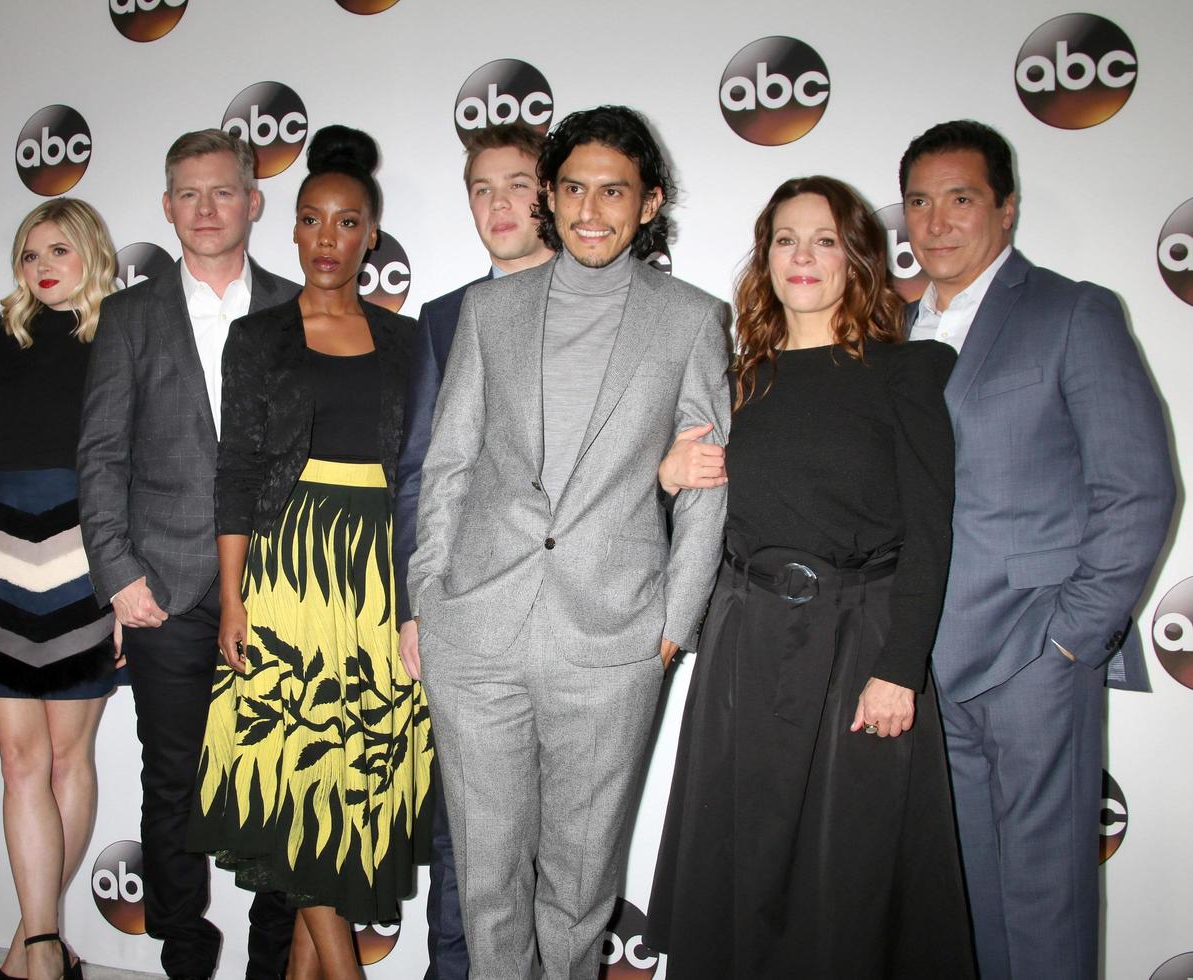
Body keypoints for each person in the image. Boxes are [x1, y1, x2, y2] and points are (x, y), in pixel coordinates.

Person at [407, 105, 730, 980]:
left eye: (614, 191)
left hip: (613, 639)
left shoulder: (692, 319)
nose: (592, 210)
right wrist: (428, 600)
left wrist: (672, 625)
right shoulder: (488, 310)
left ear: (649, 201)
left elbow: (706, 486)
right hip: (476, 632)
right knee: (487, 883)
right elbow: (450, 465)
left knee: (580, 889)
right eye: (575, 188)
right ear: (551, 196)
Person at [646, 176, 974, 978]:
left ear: (856, 258)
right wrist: (662, 478)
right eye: (786, 239)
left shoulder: (907, 372)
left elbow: (932, 532)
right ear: (765, 258)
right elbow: (677, 530)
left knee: (849, 884)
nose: (803, 256)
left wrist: (899, 668)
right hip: (746, 646)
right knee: (741, 870)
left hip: (860, 651)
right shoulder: (731, 377)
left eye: (824, 239)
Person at [899, 120, 1174, 980]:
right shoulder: (890, 334)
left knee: (1044, 904)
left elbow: (1139, 488)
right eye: (918, 201)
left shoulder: (1070, 312)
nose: (936, 221)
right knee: (959, 903)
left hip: (1032, 661)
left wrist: (1070, 641)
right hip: (919, 671)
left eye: (961, 198)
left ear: (1006, 210)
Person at [187, 124, 428, 980]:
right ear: (289, 227)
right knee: (299, 782)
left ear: (370, 234)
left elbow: (422, 475)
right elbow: (236, 469)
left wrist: (414, 597)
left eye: (348, 222)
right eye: (313, 221)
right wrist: (233, 595)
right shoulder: (258, 338)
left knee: (349, 787)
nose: (328, 239)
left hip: (375, 578)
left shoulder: (408, 343)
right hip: (286, 574)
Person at [77, 130, 300, 980]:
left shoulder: (294, 308)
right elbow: (99, 455)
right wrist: (118, 576)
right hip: (162, 590)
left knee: (283, 776)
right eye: (187, 194)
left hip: (278, 589)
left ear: (253, 201)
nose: (205, 210)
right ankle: (180, 944)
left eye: (222, 192)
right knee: (171, 781)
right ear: (167, 207)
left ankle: (270, 958)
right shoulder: (131, 317)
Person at [0, 198, 118, 980]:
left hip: (86, 560)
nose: (43, 267)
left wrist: (122, 581)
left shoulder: (124, 341)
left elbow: (136, 472)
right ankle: (44, 945)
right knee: (18, 761)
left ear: (91, 255)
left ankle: (27, 947)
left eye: (59, 251)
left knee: (69, 761)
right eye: (30, 253)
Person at [392, 121, 553, 980]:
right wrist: (413, 605)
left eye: (517, 183)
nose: (499, 204)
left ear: (553, 193)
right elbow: (418, 470)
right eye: (481, 189)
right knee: (463, 836)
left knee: (563, 853)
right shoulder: (445, 316)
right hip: (466, 619)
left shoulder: (615, 307)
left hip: (578, 627)